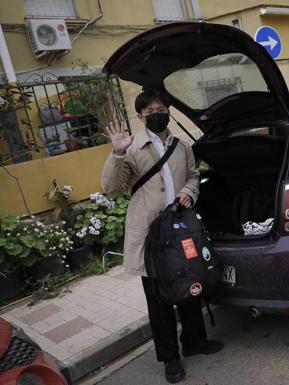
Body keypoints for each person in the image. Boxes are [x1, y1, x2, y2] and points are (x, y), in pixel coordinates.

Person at [101, 89, 223, 383]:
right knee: (159, 300)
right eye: (150, 110)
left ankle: (194, 342)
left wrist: (188, 192)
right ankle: (170, 358)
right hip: (151, 236)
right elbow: (110, 187)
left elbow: (193, 175)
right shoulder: (131, 148)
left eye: (161, 108)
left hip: (181, 229)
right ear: (141, 117)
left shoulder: (181, 146)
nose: (157, 114)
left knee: (191, 283)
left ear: (168, 110)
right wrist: (116, 153)